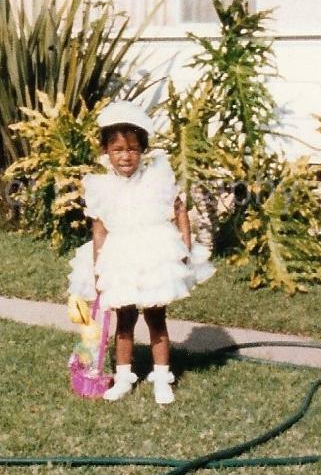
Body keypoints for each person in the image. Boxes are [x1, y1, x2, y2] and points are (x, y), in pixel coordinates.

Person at [67, 101, 215, 404]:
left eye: (133, 149)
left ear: (142, 150)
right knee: (124, 320)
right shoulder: (101, 186)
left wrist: (185, 246)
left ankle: (162, 376)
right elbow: (100, 230)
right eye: (118, 149)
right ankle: (123, 377)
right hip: (120, 259)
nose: (126, 156)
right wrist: (98, 269)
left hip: (153, 255)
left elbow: (179, 209)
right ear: (107, 151)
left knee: (156, 317)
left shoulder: (156, 177)